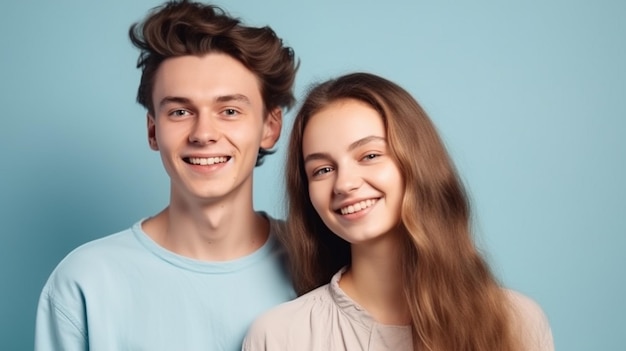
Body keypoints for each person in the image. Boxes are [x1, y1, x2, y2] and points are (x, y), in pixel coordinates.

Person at [34, 1, 298, 350]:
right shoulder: (84, 283)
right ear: (153, 131)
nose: (204, 133)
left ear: (270, 126)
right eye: (180, 111)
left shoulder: (319, 263)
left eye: (229, 110)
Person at [243, 72, 554, 351]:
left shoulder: (516, 322)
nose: (345, 184)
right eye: (322, 169)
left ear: (417, 164)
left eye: (370, 155)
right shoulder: (279, 337)